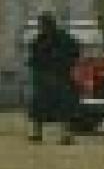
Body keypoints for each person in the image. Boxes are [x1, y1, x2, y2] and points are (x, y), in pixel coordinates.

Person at [26, 10, 80, 144]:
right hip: (45, 80)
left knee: (65, 108)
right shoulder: (39, 41)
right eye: (41, 25)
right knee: (38, 107)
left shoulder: (64, 39)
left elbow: (74, 54)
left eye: (44, 25)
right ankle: (37, 133)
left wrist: (64, 66)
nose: (42, 28)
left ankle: (66, 135)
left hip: (61, 78)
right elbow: (34, 60)